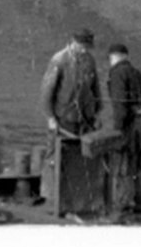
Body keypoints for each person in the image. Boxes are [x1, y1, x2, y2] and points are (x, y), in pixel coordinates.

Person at [39, 27, 102, 216]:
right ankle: (50, 199)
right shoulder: (59, 60)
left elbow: (96, 88)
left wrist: (97, 113)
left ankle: (76, 197)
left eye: (87, 47)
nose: (85, 50)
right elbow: (46, 92)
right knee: (54, 157)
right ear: (73, 43)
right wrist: (50, 118)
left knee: (80, 157)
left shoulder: (89, 60)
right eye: (82, 46)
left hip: (84, 120)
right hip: (62, 119)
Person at [103, 42, 141, 222]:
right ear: (127, 56)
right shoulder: (138, 74)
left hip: (132, 127)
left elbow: (120, 107)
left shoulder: (117, 74)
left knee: (124, 167)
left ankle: (122, 209)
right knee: (138, 167)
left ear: (112, 58)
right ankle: (139, 205)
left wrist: (118, 132)